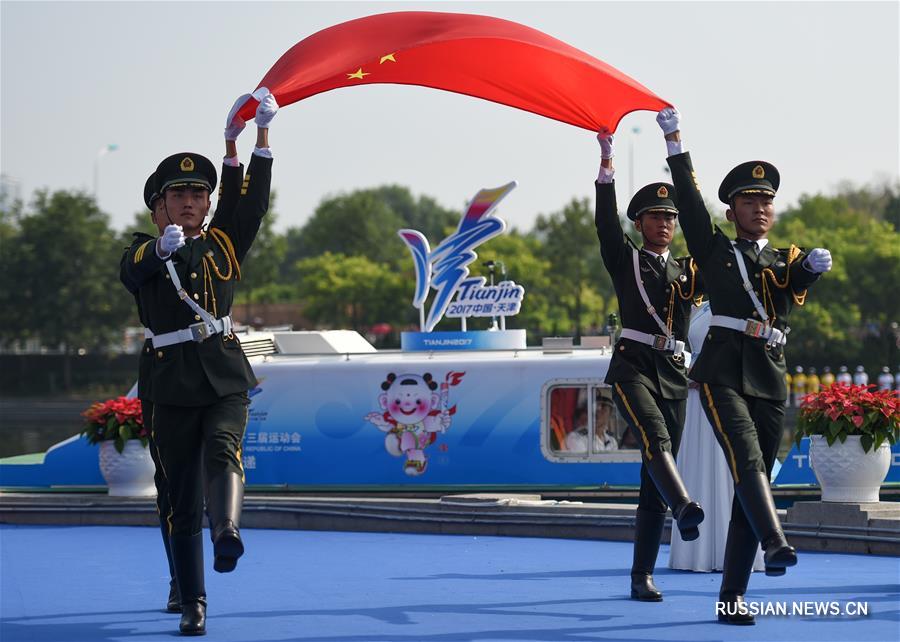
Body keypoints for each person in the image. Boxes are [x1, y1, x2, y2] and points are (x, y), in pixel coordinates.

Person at [658, 107, 832, 624]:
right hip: (721, 372)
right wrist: (675, 140)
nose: (760, 208)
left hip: (770, 374)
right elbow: (688, 202)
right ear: (731, 209)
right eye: (749, 200)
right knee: (748, 461)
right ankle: (775, 541)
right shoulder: (714, 251)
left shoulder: (781, 257)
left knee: (746, 486)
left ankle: (732, 599)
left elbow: (794, 274)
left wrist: (811, 268)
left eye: (766, 201)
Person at [120, 91, 277, 636]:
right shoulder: (145, 250)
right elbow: (133, 267)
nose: (189, 200)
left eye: (198, 193)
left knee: (223, 449)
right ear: (157, 206)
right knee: (179, 495)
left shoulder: (223, 246)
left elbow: (249, 205)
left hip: (225, 375)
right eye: (177, 193)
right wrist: (158, 251)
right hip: (169, 383)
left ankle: (227, 532)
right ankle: (192, 600)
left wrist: (252, 141)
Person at [593, 129, 704, 602]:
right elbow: (604, 223)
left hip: (673, 374)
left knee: (653, 474)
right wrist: (607, 165)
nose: (665, 224)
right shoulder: (627, 259)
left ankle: (642, 575)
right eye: (656, 217)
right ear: (639, 223)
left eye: (670, 218)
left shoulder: (687, 271)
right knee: (655, 441)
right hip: (633, 367)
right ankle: (683, 506)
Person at [669, 302, 764, 573]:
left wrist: (710, 373)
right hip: (695, 395)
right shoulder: (698, 305)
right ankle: (695, 551)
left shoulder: (740, 300)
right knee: (697, 467)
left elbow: (747, 347)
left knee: (729, 467)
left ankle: (731, 552)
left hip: (724, 390)